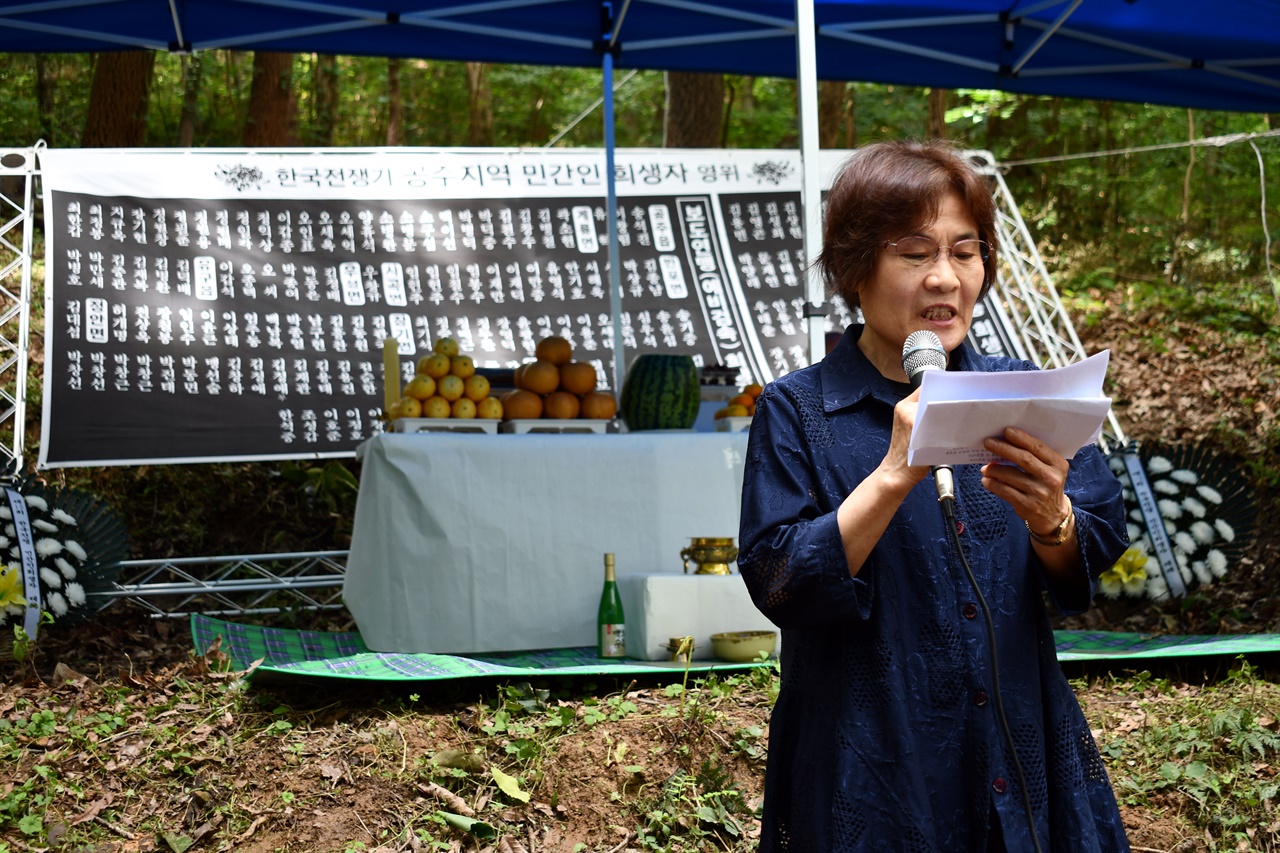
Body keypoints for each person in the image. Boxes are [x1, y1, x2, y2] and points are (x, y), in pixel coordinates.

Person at [737, 140, 1131, 852]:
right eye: (914, 253)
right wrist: (894, 471)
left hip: (1018, 749)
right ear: (858, 268)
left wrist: (1054, 521)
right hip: (869, 764)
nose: (944, 278)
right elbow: (778, 578)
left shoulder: (1024, 394)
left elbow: (1095, 546)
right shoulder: (798, 409)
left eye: (965, 250)